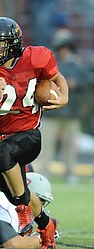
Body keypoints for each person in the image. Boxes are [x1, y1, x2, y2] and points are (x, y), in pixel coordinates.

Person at [0, 17, 68, 249]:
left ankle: (22, 210)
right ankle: (47, 225)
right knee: (12, 189)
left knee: (2, 159)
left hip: (28, 135)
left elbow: (56, 77)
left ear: (14, 43)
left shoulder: (36, 57)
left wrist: (64, 96)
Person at [37, 28, 93, 183]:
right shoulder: (49, 63)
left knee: (70, 145)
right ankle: (44, 172)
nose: (64, 51)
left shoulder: (78, 64)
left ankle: (70, 173)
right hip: (51, 111)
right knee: (46, 143)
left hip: (71, 111)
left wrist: (76, 83)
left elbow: (88, 80)